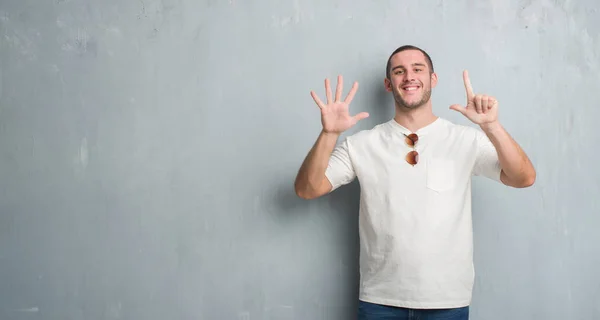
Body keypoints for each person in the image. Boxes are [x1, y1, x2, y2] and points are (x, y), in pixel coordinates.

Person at [293, 45, 536, 320]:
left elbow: (523, 178)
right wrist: (328, 133)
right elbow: (307, 189)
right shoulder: (362, 144)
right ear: (389, 84)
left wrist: (492, 126)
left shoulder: (465, 139)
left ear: (433, 79)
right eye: (399, 71)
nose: (409, 76)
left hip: (447, 300)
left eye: (418, 69)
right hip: (379, 301)